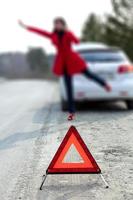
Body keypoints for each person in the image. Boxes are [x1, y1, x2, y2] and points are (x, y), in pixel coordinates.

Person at [19, 17, 112, 121]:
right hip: (63, 63)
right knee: (69, 88)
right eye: (55, 24)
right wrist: (26, 27)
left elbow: (77, 42)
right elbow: (40, 32)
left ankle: (104, 84)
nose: (57, 26)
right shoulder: (53, 35)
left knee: (88, 74)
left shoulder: (68, 33)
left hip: (73, 59)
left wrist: (70, 33)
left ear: (63, 25)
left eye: (59, 24)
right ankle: (72, 112)